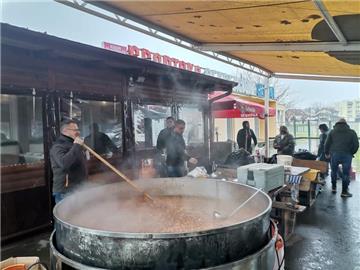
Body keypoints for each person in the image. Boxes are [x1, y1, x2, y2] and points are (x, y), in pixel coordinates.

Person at [50, 120, 87, 203]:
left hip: (78, 188)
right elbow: (64, 163)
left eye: (78, 130)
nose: (78, 132)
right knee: (67, 215)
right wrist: (77, 145)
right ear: (65, 131)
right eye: (75, 130)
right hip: (66, 191)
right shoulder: (58, 146)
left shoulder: (73, 144)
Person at [324, 118, 359, 197]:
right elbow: (356, 145)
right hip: (347, 155)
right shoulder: (352, 132)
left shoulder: (332, 132)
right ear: (346, 124)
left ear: (337, 123)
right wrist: (351, 152)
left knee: (333, 171)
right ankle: (344, 191)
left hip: (335, 154)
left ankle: (333, 188)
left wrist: (326, 153)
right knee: (346, 173)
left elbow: (327, 144)